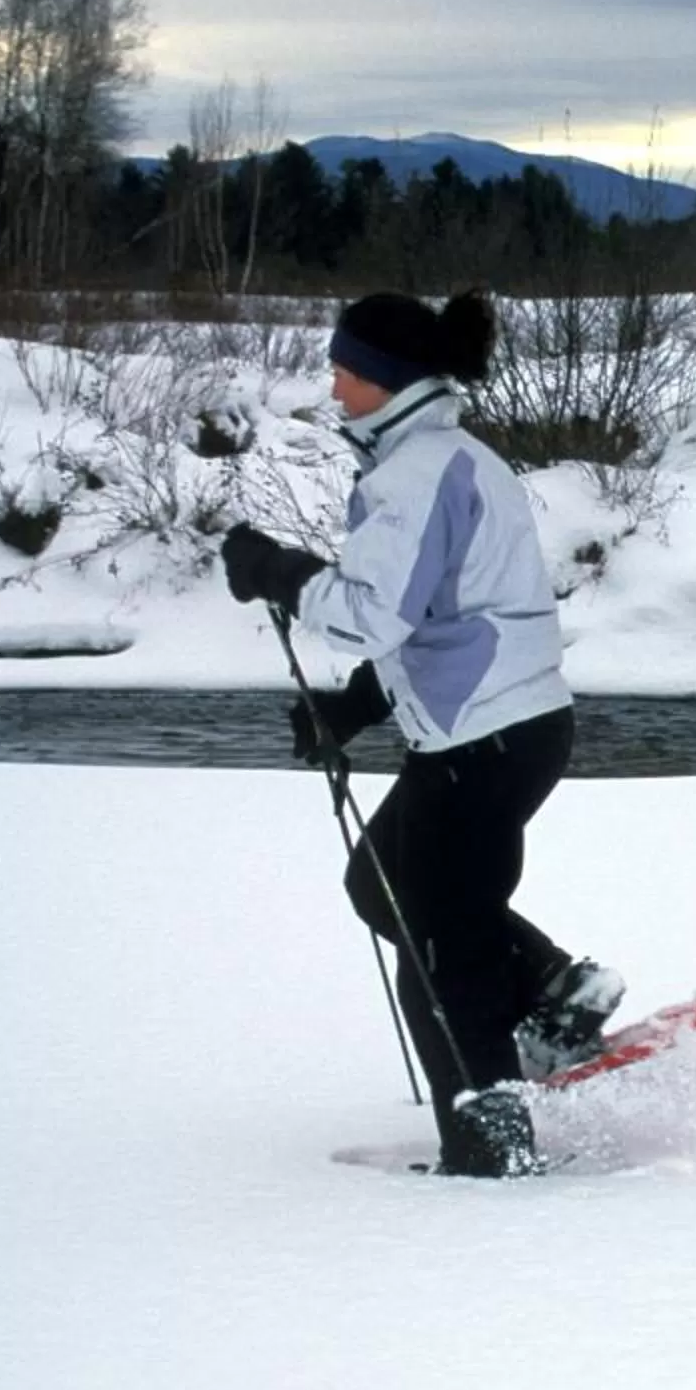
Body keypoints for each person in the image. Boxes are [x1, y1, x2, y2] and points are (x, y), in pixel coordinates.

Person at [221, 289, 620, 1177]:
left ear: (385, 376)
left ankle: (488, 1149)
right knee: (383, 885)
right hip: (503, 727)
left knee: (444, 946)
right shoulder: (450, 457)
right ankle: (559, 993)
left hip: (484, 739)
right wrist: (356, 709)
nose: (333, 385)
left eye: (343, 369)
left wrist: (276, 570)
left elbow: (371, 616)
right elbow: (448, 612)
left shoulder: (414, 475)